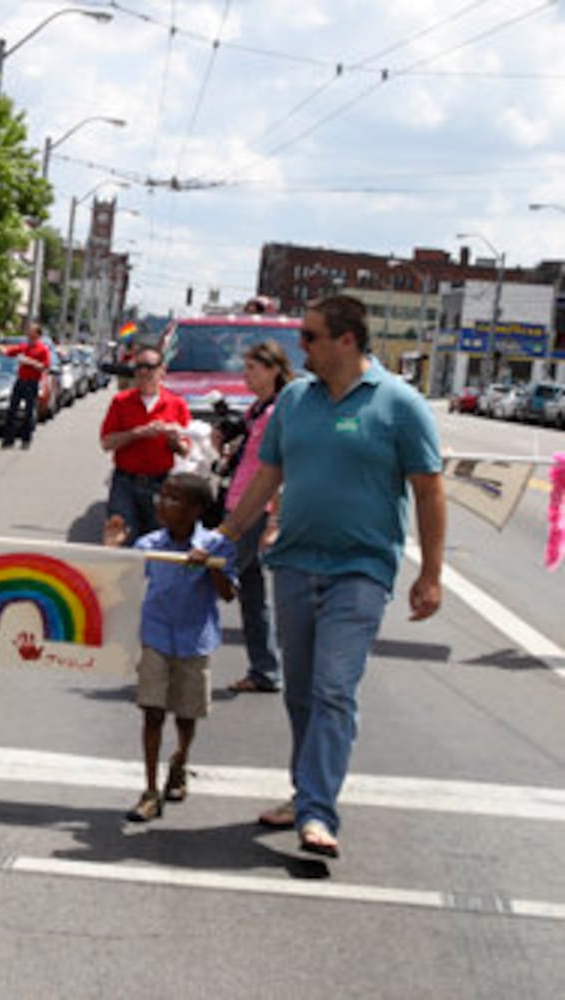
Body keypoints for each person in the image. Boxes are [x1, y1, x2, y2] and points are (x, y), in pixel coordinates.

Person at [202, 294, 445, 859]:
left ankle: (316, 812)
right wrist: (226, 536)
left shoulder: (399, 404)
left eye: (310, 337)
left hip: (360, 569)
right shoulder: (295, 400)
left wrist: (431, 574)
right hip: (293, 563)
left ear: (346, 340)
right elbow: (268, 475)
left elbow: (429, 490)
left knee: (334, 689)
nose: (300, 347)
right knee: (304, 695)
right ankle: (305, 791)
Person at [115, 473, 238, 822]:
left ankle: (180, 759)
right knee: (152, 712)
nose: (162, 505)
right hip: (154, 637)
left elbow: (228, 593)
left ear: (197, 509)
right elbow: (122, 585)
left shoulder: (216, 546)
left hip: (193, 641)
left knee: (187, 713)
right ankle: (150, 789)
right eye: (162, 497)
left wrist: (210, 568)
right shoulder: (148, 544)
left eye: (173, 500)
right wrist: (114, 547)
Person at [223, 340, 295, 695]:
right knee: (251, 595)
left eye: (252, 368)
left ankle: (180, 658)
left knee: (214, 578)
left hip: (252, 511)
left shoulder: (276, 412)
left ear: (273, 370)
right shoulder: (258, 408)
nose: (246, 375)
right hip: (239, 504)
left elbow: (278, 470)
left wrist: (273, 521)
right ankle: (264, 670)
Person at [99, 344, 191, 546]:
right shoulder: (121, 401)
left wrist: (171, 438)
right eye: (139, 367)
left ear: (162, 370)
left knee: (156, 543)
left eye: (149, 367)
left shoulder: (176, 404)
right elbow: (107, 442)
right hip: (126, 482)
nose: (143, 372)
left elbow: (185, 450)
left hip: (161, 483)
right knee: (120, 538)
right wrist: (138, 433)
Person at [0, 323, 51, 449]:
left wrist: (29, 362)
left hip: (32, 382)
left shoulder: (42, 349)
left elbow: (45, 367)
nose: (29, 334)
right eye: (28, 332)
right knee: (12, 410)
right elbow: (8, 351)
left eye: (32, 332)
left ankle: (26, 440)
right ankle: (8, 439)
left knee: (28, 412)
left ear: (37, 335)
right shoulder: (24, 347)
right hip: (20, 381)